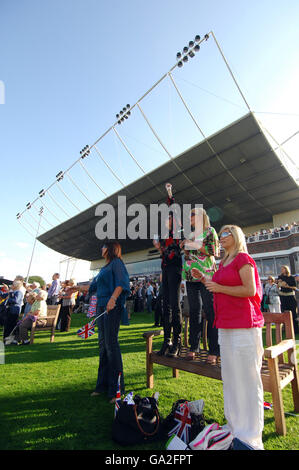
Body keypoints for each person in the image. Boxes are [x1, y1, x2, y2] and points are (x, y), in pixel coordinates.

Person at [198, 224, 264, 450]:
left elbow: (250, 290)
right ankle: (234, 427)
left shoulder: (243, 259)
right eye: (221, 233)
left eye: (226, 233)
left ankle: (251, 436)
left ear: (236, 237)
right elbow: (217, 287)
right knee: (231, 379)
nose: (221, 236)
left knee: (248, 380)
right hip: (225, 325)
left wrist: (217, 286)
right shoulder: (223, 262)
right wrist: (205, 279)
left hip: (244, 325)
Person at [89, 241, 130, 402]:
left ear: (110, 249)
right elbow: (93, 286)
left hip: (111, 307)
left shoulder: (117, 263)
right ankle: (103, 385)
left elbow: (122, 283)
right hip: (101, 306)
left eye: (103, 246)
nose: (101, 249)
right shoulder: (103, 268)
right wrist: (75, 289)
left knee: (111, 346)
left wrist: (113, 299)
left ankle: (117, 389)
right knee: (103, 346)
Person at [181, 207, 220, 363]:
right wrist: (185, 246)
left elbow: (214, 250)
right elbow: (188, 254)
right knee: (194, 311)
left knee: (210, 311)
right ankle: (193, 347)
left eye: (192, 214)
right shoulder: (190, 234)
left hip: (207, 276)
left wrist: (193, 245)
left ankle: (214, 350)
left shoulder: (210, 230)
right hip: (190, 277)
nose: (189, 217)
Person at [153, 183, 182, 357]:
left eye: (168, 218)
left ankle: (176, 343)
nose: (166, 221)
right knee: (165, 306)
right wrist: (158, 247)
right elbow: (164, 254)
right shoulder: (165, 237)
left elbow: (174, 210)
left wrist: (170, 193)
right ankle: (166, 342)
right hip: (166, 270)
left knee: (174, 305)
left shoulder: (177, 231)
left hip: (176, 269)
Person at [278, 266, 298, 334]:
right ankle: (286, 329)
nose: (282, 270)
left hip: (290, 296)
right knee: (284, 312)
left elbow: (295, 287)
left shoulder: (291, 278)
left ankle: (295, 329)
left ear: (286, 269)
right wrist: (279, 283)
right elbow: (278, 285)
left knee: (293, 313)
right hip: (283, 296)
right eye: (281, 269)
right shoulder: (280, 277)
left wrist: (287, 286)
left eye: (283, 269)